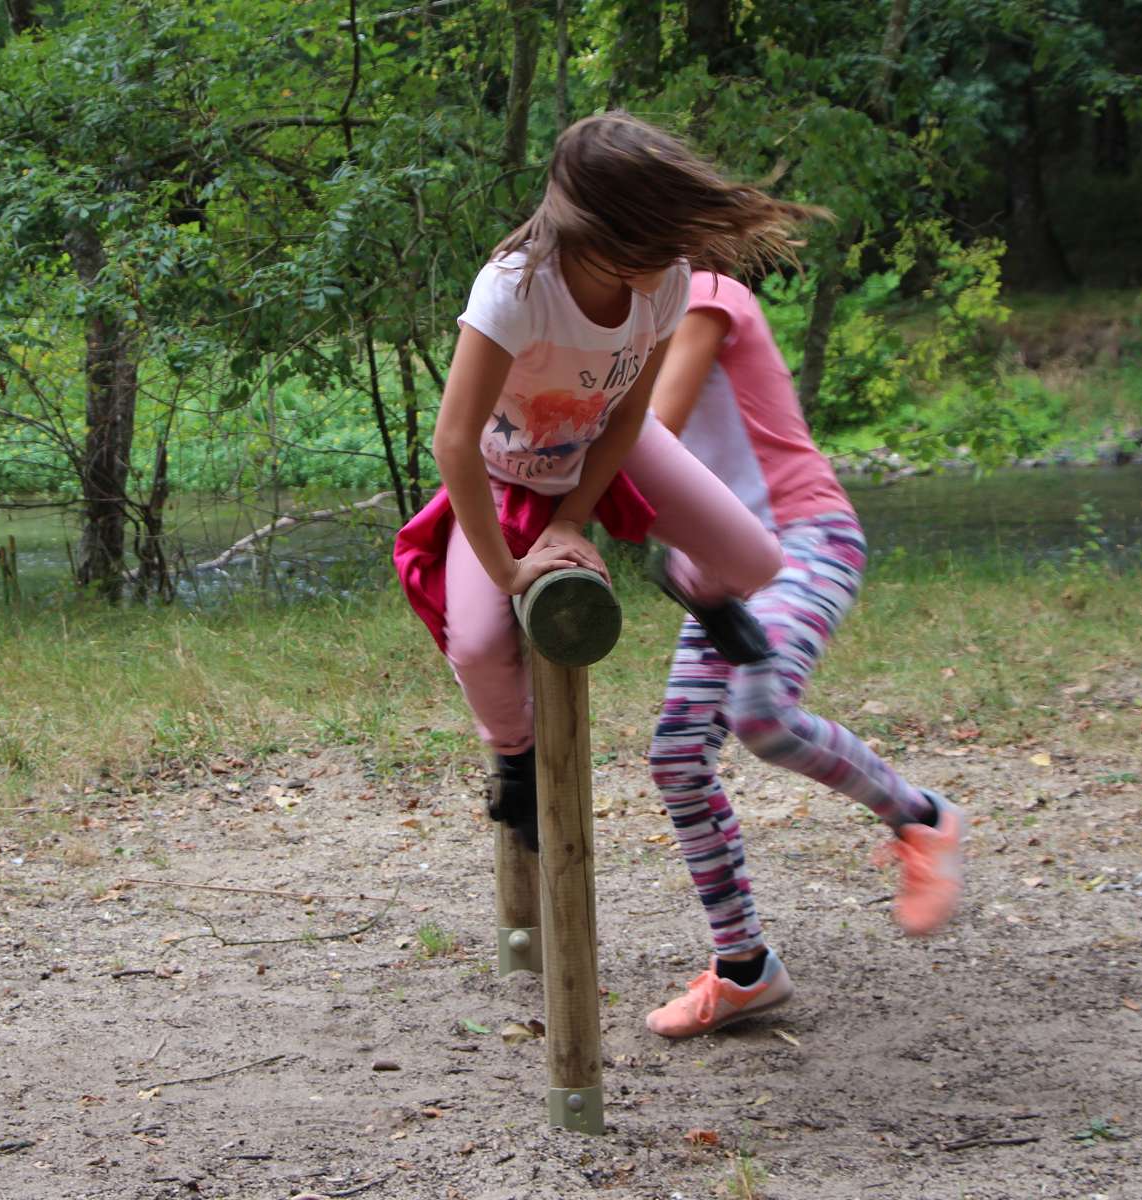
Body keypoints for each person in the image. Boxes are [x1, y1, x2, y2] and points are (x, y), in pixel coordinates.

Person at [395, 113, 814, 849]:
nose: (673, 258)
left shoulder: (667, 282)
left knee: (756, 561)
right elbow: (454, 440)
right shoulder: (517, 289)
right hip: (503, 472)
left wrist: (572, 517)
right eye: (653, 243)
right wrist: (508, 569)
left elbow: (627, 417)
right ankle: (515, 757)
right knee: (477, 645)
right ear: (601, 233)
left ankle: (692, 580)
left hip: (608, 446)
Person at [641, 270, 967, 1040]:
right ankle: (744, 970)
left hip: (803, 540)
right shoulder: (628, 323)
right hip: (719, 560)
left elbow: (649, 434)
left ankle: (921, 818)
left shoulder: (704, 293)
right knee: (677, 757)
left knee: (760, 713)